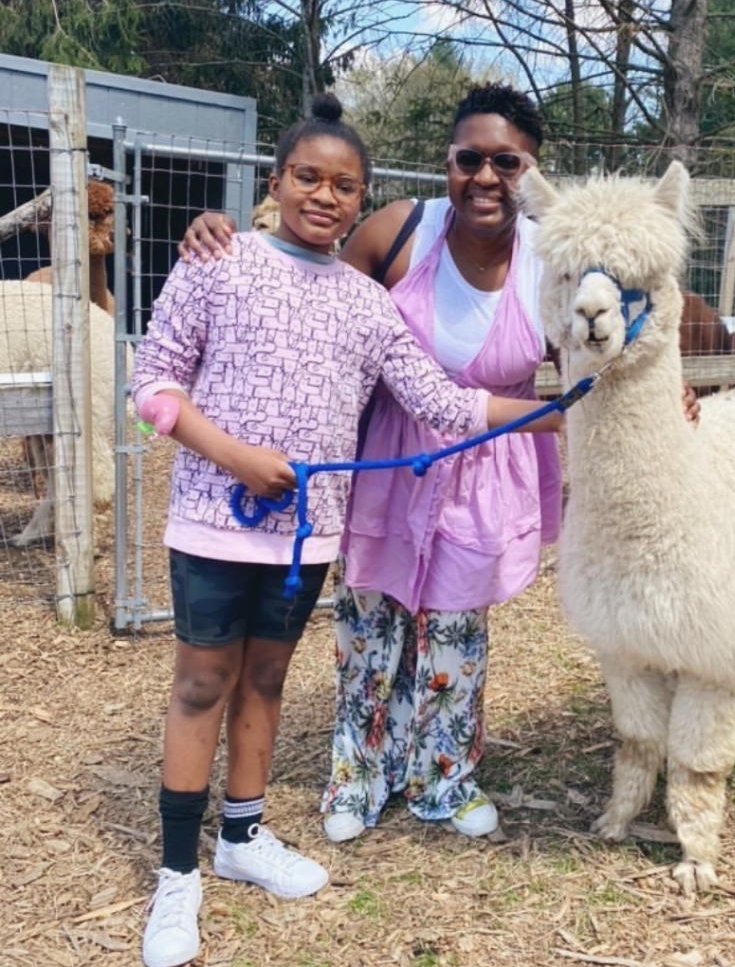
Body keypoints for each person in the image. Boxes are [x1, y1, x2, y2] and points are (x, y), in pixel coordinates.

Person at [179, 83, 699, 848]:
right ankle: (359, 776)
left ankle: (445, 778)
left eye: (506, 161)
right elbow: (306, 273)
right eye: (469, 159)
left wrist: (668, 388)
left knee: (456, 632)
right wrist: (223, 234)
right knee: (369, 626)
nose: (486, 176)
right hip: (390, 455)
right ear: (448, 164)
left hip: (492, 462)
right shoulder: (399, 233)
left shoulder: (548, 262)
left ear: (529, 169)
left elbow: (622, 326)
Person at [135, 92, 561, 967]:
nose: (324, 197)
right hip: (218, 520)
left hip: (311, 529)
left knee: (264, 681)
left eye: (344, 186)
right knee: (200, 685)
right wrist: (236, 455)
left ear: (364, 200)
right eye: (307, 178)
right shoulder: (220, 263)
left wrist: (573, 415)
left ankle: (242, 838)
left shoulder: (368, 304)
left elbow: (444, 401)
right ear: (276, 181)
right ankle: (179, 874)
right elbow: (154, 385)